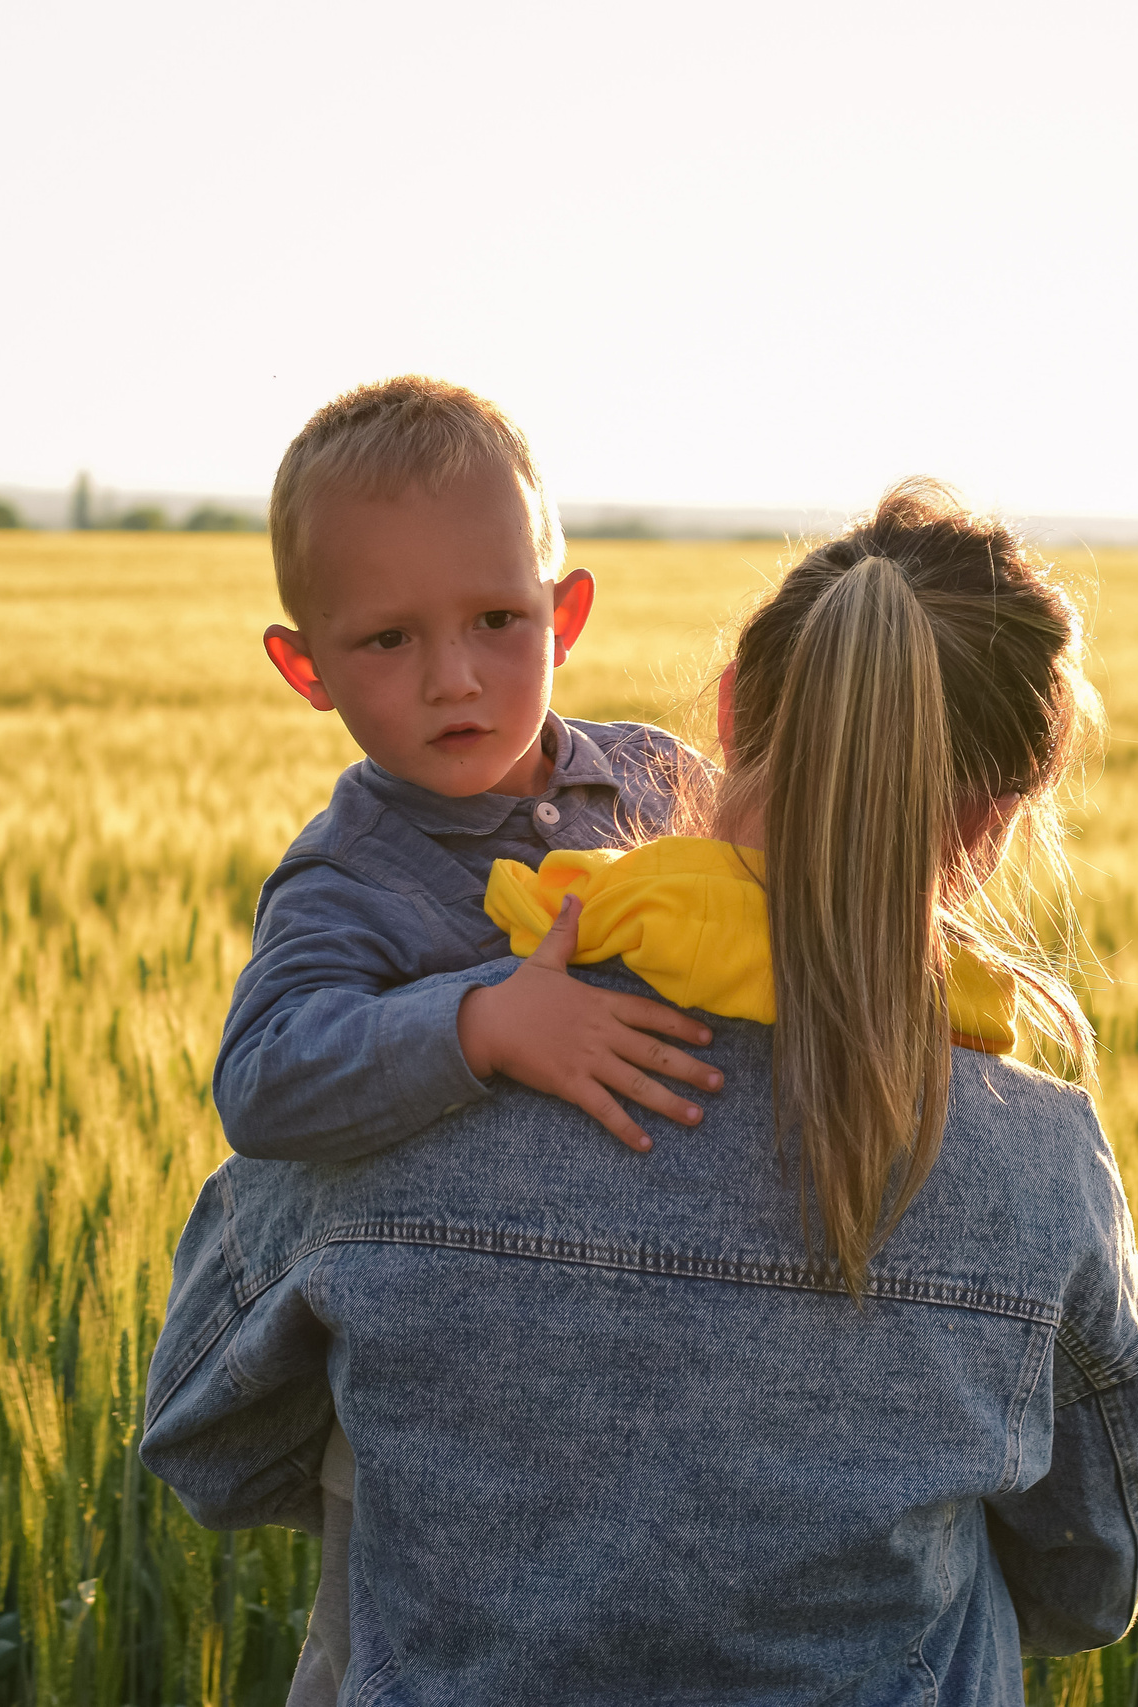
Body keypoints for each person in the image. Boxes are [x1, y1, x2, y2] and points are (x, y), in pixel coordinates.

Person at [145, 481, 1138, 1702]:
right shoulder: (1042, 1165)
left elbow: (210, 1443)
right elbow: (1085, 1583)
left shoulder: (413, 1059)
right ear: (998, 818)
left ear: (733, 710)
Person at [218, 375, 729, 1700]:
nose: (454, 676)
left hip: (657, 1376)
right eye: (387, 640)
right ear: (306, 667)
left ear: (566, 612)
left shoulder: (665, 786)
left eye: (499, 621)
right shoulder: (348, 878)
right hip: (430, 1422)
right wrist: (483, 1021)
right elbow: (266, 1072)